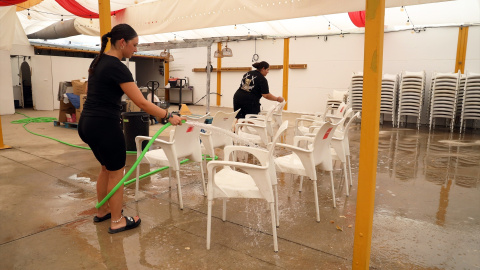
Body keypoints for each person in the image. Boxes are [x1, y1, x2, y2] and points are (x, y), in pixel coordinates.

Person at [78, 24, 184, 234]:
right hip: (105, 127)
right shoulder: (117, 66)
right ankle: (117, 221)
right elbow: (142, 103)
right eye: (134, 45)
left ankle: (103, 211)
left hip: (87, 124)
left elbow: (92, 92)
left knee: (106, 169)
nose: (136, 50)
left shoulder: (98, 61)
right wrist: (168, 115)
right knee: (117, 173)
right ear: (122, 43)